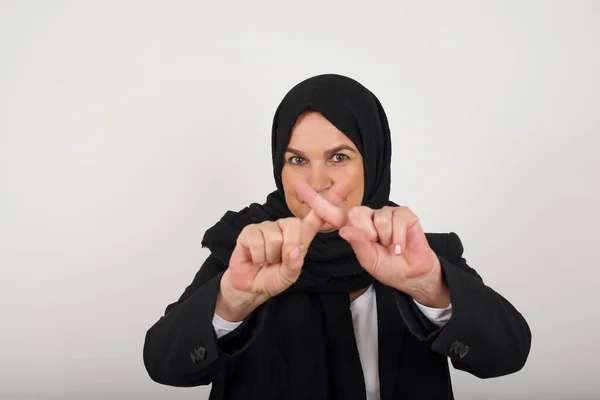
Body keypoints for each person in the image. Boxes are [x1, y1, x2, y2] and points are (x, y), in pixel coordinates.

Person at [143, 74, 531, 400]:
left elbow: (507, 355)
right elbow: (165, 365)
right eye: (297, 160)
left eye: (339, 157)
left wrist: (429, 286)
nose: (317, 182)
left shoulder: (415, 251)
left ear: (374, 160)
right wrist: (234, 301)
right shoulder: (247, 250)